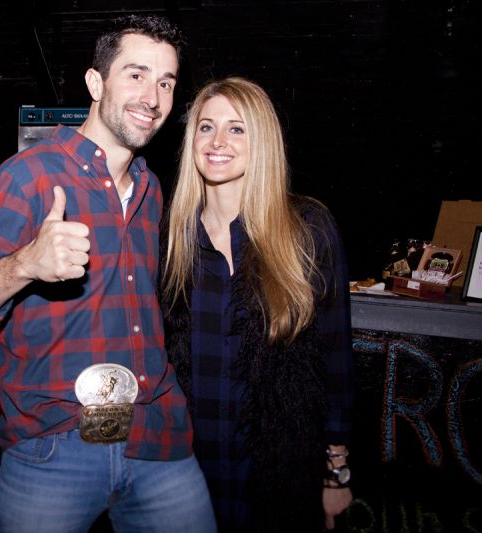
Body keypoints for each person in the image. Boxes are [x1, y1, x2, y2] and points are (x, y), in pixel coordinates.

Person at [0, 14, 216, 533]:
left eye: (166, 82)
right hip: (55, 445)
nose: (152, 97)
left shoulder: (152, 188)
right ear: (95, 82)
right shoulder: (29, 176)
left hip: (156, 436)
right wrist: (26, 264)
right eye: (135, 74)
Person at [160, 77, 355, 531]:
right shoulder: (170, 240)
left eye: (237, 128)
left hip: (280, 477)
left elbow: (336, 360)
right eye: (206, 127)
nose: (218, 141)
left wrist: (336, 473)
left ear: (262, 140)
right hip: (184, 475)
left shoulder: (307, 229)